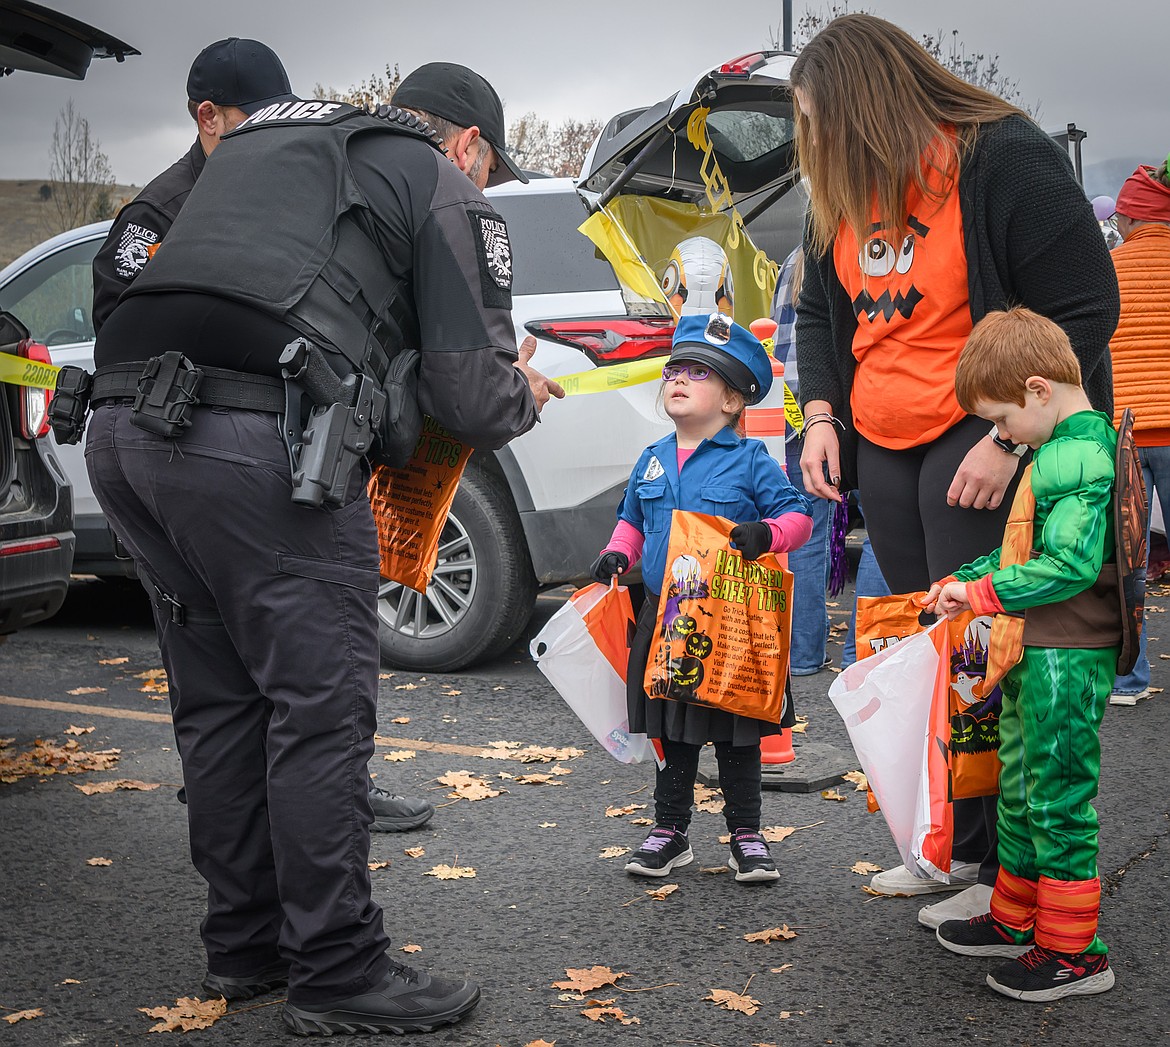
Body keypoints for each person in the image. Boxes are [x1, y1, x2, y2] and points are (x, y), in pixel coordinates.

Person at [83, 60, 562, 1035]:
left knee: (220, 704)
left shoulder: (277, 143)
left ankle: (247, 947)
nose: (487, 189)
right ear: (468, 144)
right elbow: (471, 393)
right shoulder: (442, 184)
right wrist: (525, 392)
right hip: (255, 443)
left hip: (123, 428)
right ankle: (338, 968)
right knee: (318, 707)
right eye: (491, 171)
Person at [790, 13, 1119, 927]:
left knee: (990, 657)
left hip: (975, 435)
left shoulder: (1000, 157)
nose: (810, 142)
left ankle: (1003, 867)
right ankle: (952, 843)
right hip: (881, 441)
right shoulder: (846, 191)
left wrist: (1009, 438)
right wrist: (821, 414)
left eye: (820, 119)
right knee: (932, 652)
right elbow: (820, 316)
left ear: (869, 104)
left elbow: (1087, 306)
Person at [90, 37, 434, 835]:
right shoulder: (157, 213)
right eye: (254, 121)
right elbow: (122, 328)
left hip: (286, 436)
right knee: (240, 678)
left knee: (308, 667)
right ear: (207, 119)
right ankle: (249, 796)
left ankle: (323, 790)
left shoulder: (285, 190)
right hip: (189, 440)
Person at [925, 307, 1121, 1002]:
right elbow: (1024, 551)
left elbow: (1066, 564)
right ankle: (1017, 916)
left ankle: (1074, 951)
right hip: (1037, 644)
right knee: (1022, 784)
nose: (1001, 436)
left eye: (1002, 420)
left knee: (1056, 793)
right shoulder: (1058, 446)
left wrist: (977, 591)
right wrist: (965, 582)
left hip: (1067, 649)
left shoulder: (1076, 450)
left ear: (1039, 389)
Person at [589, 313, 812, 884]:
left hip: (730, 621)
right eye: (674, 369)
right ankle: (671, 831)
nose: (678, 379)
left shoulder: (750, 459)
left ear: (733, 401)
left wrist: (768, 535)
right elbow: (632, 520)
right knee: (675, 733)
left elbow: (797, 515)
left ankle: (746, 835)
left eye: (698, 372)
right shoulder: (653, 456)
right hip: (665, 618)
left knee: (736, 735)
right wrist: (619, 555)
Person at [1105, 158, 1170, 704]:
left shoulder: (1109, 270)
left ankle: (1129, 679)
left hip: (1124, 435)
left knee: (1129, 559)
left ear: (1129, 218)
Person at [771, 246, 833, 676]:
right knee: (881, 537)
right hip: (835, 413)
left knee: (803, 538)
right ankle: (864, 652)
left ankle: (801, 654)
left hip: (791, 414)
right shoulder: (844, 248)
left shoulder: (795, 258)